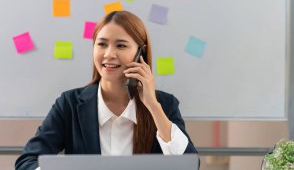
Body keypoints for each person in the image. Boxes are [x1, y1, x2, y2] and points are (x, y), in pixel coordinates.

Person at [15, 11, 198, 170]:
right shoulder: (69, 104)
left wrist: (152, 105)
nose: (109, 54)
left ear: (140, 53)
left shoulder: (164, 105)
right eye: (102, 44)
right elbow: (26, 162)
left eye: (121, 45)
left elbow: (189, 164)